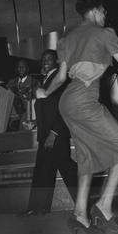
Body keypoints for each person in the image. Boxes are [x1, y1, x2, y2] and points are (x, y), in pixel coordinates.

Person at [36, 0, 118, 234]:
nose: (106, 15)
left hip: (67, 102)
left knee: (86, 158)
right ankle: (104, 206)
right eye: (104, 11)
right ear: (95, 11)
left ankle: (80, 214)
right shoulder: (105, 33)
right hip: (85, 100)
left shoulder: (66, 39)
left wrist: (45, 92)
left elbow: (61, 78)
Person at [21, 50, 78, 216]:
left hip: (54, 134)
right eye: (43, 59)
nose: (45, 61)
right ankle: (37, 208)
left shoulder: (59, 79)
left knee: (62, 169)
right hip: (47, 134)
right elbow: (48, 110)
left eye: (49, 59)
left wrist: (54, 132)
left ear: (57, 62)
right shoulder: (47, 80)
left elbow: (64, 109)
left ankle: (85, 203)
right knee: (46, 170)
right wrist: (34, 123)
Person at [7, 59, 39, 130]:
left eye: (23, 67)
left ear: (28, 69)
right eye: (19, 67)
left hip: (29, 118)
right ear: (16, 69)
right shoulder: (10, 83)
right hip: (13, 119)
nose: (21, 69)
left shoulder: (35, 83)